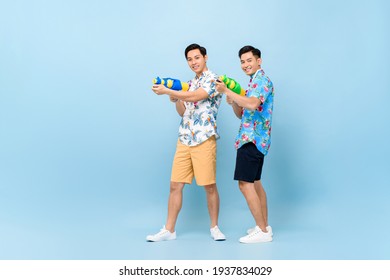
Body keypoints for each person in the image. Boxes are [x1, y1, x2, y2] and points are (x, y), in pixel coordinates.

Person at [147, 43, 226, 242]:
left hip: (204, 138)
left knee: (209, 186)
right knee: (175, 186)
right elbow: (184, 112)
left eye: (196, 57)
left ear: (205, 57)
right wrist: (175, 99)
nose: (193, 62)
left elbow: (197, 96)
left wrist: (167, 91)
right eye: (189, 59)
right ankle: (169, 230)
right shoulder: (190, 83)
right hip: (184, 138)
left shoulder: (213, 80)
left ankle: (215, 227)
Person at [215, 45, 274, 243]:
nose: (245, 64)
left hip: (252, 139)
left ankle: (262, 231)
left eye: (249, 60)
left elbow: (253, 104)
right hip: (252, 137)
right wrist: (233, 102)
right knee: (256, 183)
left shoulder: (262, 81)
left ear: (259, 61)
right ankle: (264, 227)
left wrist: (229, 93)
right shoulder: (252, 83)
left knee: (245, 184)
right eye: (242, 61)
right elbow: (242, 113)